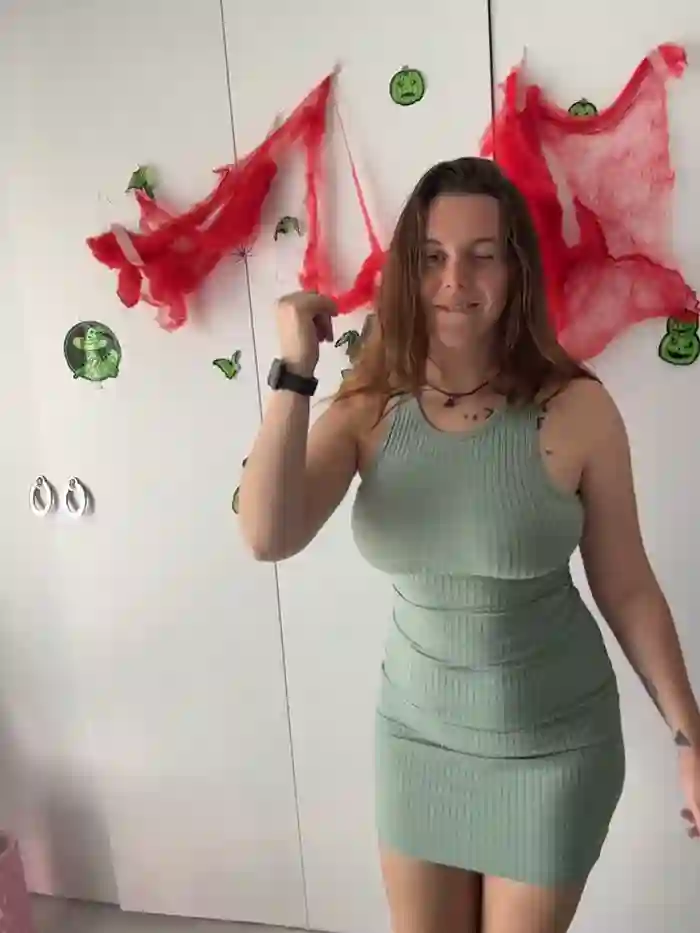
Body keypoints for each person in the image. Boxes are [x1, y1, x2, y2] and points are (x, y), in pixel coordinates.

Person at [238, 157, 700, 933]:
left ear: (515, 270)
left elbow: (626, 586)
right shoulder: (369, 406)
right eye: (432, 256)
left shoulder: (577, 409)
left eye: (482, 254)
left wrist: (690, 736)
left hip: (552, 749)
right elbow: (266, 534)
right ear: (407, 271)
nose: (455, 278)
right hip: (417, 739)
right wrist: (294, 372)